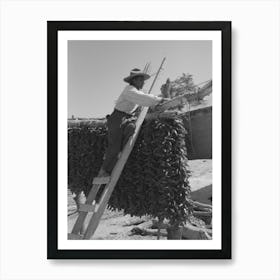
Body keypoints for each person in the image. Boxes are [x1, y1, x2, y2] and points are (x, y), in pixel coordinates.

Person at [96, 68, 170, 180]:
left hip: (126, 117)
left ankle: (121, 151)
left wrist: (162, 95)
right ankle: (103, 171)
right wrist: (160, 99)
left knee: (131, 128)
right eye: (141, 80)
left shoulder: (137, 91)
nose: (143, 82)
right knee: (114, 147)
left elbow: (146, 98)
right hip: (117, 118)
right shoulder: (130, 90)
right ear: (134, 80)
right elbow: (143, 99)